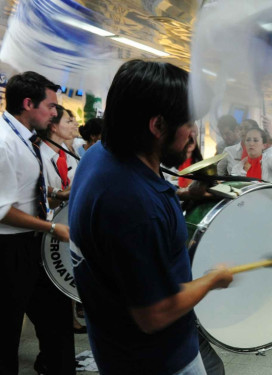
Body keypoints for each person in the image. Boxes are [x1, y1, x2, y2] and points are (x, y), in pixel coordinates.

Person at [68, 60, 233, 374]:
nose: (194, 134)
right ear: (157, 126)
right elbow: (153, 315)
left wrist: (184, 196)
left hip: (115, 347)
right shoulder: (137, 206)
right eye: (189, 123)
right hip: (159, 360)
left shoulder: (98, 155)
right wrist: (213, 279)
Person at [0, 71, 75, 374]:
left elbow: (25, 190)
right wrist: (53, 227)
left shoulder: (29, 141)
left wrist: (58, 193)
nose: (55, 113)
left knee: (57, 324)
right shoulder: (4, 143)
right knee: (6, 331)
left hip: (33, 243)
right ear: (28, 103)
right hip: (10, 247)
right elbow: (2, 209)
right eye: (51, 106)